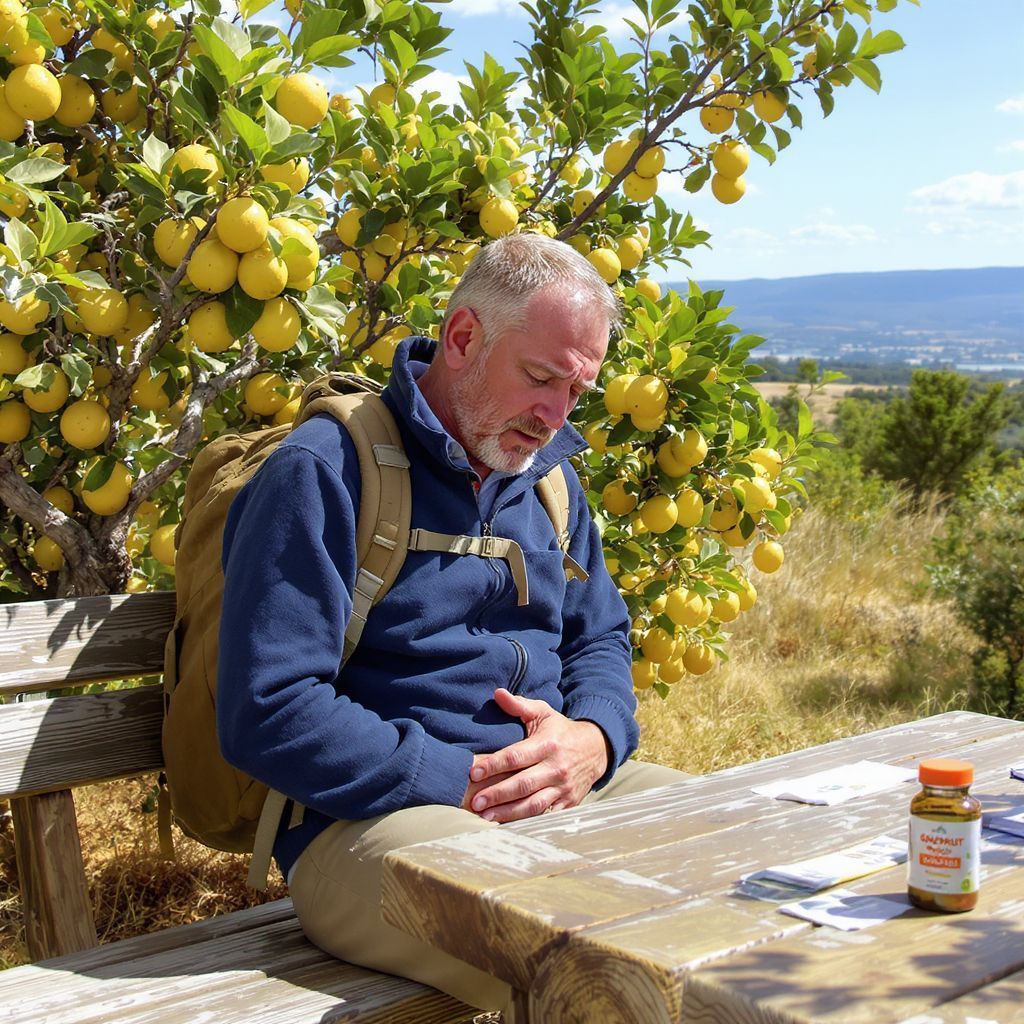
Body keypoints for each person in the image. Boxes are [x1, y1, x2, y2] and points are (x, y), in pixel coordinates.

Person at [216, 233, 689, 1016]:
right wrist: (466, 781)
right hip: (371, 827)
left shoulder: (549, 482)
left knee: (736, 863)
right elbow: (269, 709)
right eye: (540, 378)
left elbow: (599, 635)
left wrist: (594, 741)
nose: (554, 416)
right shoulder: (326, 466)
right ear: (465, 337)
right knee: (599, 963)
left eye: (577, 392)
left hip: (550, 793)